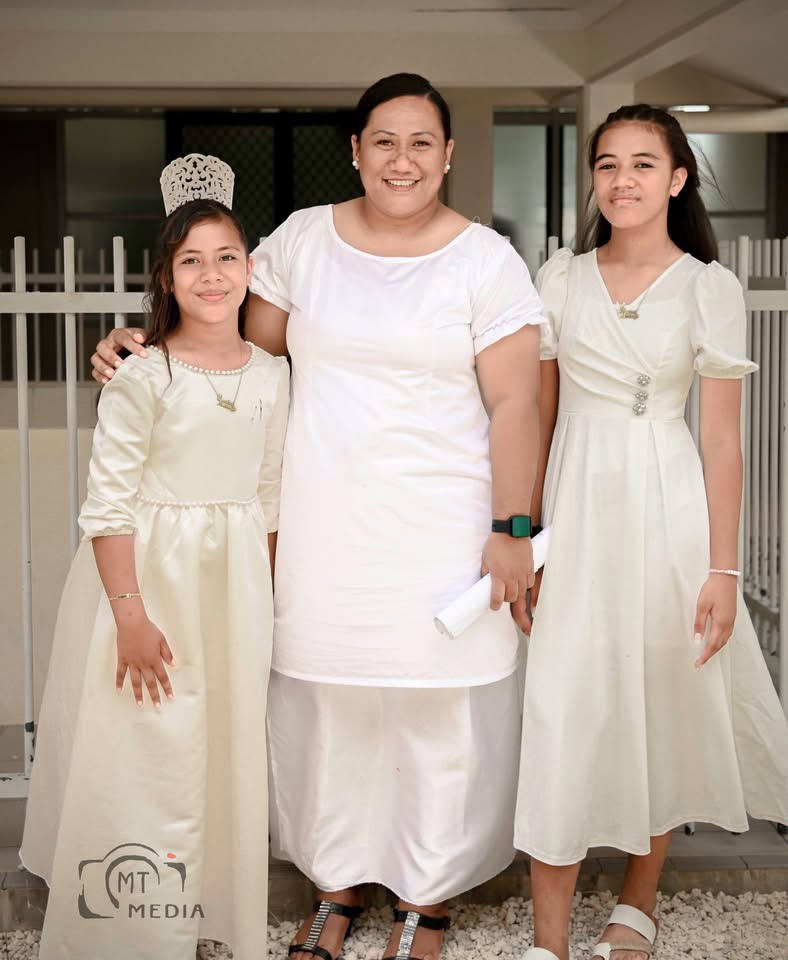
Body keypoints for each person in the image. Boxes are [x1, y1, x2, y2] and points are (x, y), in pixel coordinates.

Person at [91, 73, 544, 960]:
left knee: (436, 713)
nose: (403, 160)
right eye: (384, 141)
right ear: (356, 151)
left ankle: (426, 899)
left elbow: (516, 403)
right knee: (326, 706)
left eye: (422, 143)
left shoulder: (486, 260)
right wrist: (136, 348)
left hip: (447, 522)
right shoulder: (304, 239)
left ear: (449, 154)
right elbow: (230, 350)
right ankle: (336, 889)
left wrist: (513, 527)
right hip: (320, 518)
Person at [515, 105, 788, 960]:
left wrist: (722, 571)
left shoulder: (709, 287)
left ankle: (638, 904)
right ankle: (548, 942)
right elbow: (538, 417)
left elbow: (722, 441)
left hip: (669, 508)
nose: (622, 179)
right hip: (576, 505)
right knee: (562, 704)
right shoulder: (560, 279)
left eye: (642, 163)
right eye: (607, 164)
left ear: (677, 178)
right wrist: (526, 534)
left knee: (663, 695)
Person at [21, 156, 290, 960]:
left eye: (227, 257)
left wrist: (266, 600)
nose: (212, 276)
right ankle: (130, 932)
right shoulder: (144, 375)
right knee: (146, 748)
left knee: (220, 747)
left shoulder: (273, 375)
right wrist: (130, 618)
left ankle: (205, 915)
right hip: (149, 581)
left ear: (250, 269)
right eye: (191, 261)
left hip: (232, 586)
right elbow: (107, 506)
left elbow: (269, 495)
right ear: (167, 279)